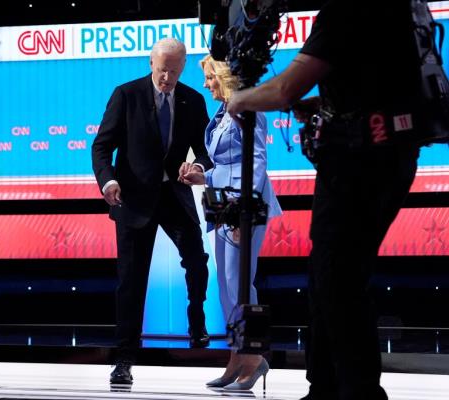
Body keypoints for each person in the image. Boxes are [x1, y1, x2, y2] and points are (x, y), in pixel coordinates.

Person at [227, 1, 421, 399]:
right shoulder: (395, 9)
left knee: (338, 281)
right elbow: (376, 84)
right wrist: (329, 106)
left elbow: (284, 90)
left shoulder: (348, 10)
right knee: (328, 278)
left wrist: (239, 99)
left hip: (360, 163)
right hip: (387, 157)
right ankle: (325, 387)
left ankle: (358, 391)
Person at [91, 38, 214, 385]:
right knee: (131, 281)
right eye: (162, 71)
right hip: (132, 199)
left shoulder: (193, 100)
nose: (167, 79)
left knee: (196, 258)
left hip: (174, 196)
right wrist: (108, 182)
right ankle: (124, 357)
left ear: (183, 68)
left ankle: (197, 322)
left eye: (174, 72)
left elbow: (205, 151)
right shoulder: (126, 95)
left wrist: (198, 169)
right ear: (151, 64)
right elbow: (102, 147)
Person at [180, 54, 282, 391]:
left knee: (239, 284)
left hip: (243, 208)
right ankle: (237, 356)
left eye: (210, 77)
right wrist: (203, 174)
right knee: (225, 286)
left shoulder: (247, 109)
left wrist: (244, 208)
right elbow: (229, 163)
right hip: (223, 207)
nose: (206, 84)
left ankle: (252, 357)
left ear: (223, 76)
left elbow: (255, 162)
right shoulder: (225, 112)